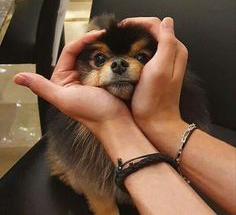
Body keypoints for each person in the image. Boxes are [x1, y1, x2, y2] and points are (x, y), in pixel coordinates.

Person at [14, 17, 236, 215]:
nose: (118, 65)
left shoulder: (188, 106)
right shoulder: (74, 139)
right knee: (83, 179)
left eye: (141, 56)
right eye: (100, 59)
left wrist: (159, 123)